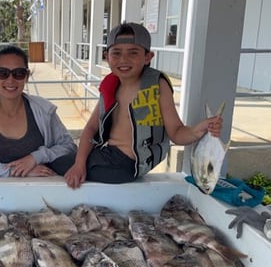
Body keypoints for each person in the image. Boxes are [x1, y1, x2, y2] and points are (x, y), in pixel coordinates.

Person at [64, 22, 222, 189]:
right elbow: (91, 128)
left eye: (133, 53)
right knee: (67, 154)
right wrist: (79, 163)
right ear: (107, 56)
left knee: (59, 161)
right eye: (116, 53)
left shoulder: (156, 85)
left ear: (148, 57)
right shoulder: (111, 84)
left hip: (125, 166)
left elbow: (176, 133)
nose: (123, 60)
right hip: (107, 154)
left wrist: (200, 129)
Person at [0, 45, 76, 177]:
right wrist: (18, 171)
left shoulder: (44, 110)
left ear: (27, 76)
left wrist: (35, 158)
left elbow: (69, 146)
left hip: (41, 194)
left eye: (19, 73)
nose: (10, 80)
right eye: (3, 73)